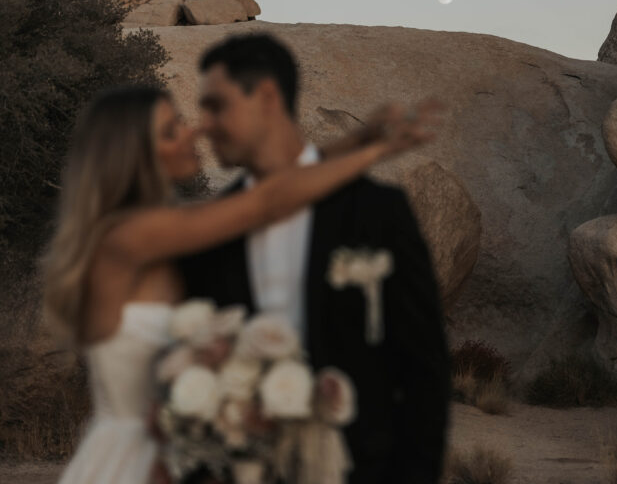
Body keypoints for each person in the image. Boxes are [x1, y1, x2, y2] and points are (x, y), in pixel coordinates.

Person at [42, 82, 437, 484]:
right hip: (137, 462)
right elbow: (265, 202)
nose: (191, 132)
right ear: (135, 155)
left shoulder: (149, 231)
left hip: (175, 453)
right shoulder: (130, 235)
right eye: (171, 130)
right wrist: (377, 153)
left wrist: (356, 140)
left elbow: (261, 190)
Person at [180, 33, 451, 484]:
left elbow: (425, 367)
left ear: (266, 96)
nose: (204, 124)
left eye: (216, 106)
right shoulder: (210, 231)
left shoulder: (376, 213)